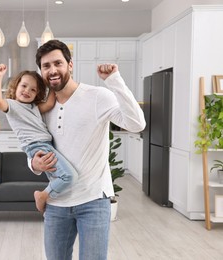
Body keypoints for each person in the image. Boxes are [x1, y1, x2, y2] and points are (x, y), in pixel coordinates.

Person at [31, 40, 146, 259]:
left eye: (58, 63)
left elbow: (137, 124)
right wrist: (33, 164)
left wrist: (114, 81)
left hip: (93, 201)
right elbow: (32, 146)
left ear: (70, 65)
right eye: (46, 66)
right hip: (56, 202)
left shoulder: (97, 97)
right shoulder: (42, 108)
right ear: (41, 71)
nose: (53, 70)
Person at [0, 63, 78, 213]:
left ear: (37, 93)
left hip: (45, 145)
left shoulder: (34, 107)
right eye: (24, 86)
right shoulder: (12, 106)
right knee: (69, 176)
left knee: (59, 178)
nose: (27, 91)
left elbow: (50, 103)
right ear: (16, 86)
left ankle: (51, 206)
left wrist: (53, 82)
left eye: (33, 90)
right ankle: (42, 196)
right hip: (37, 147)